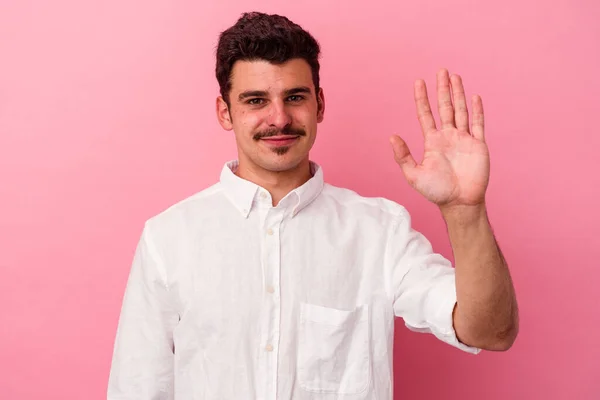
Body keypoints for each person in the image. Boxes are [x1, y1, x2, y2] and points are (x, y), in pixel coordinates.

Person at [107, 11, 518, 400]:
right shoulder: (168, 238)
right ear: (225, 111)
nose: (280, 118)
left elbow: (490, 331)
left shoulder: (380, 231)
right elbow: (138, 388)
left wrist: (465, 210)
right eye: (255, 100)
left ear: (319, 104)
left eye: (295, 96)